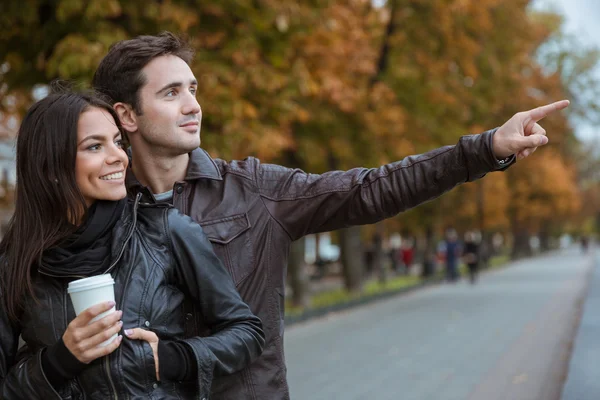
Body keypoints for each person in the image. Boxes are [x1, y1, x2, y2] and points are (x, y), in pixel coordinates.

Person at [92, 31, 569, 400]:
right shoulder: (97, 212)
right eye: (172, 93)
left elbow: (371, 190)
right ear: (127, 116)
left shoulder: (254, 190)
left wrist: (484, 149)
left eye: (193, 89)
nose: (194, 105)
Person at [0, 91, 265, 399]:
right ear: (50, 167)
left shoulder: (165, 231)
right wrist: (59, 361)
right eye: (95, 146)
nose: (119, 156)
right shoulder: (13, 264)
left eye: (118, 141)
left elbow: (247, 332)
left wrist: (174, 358)